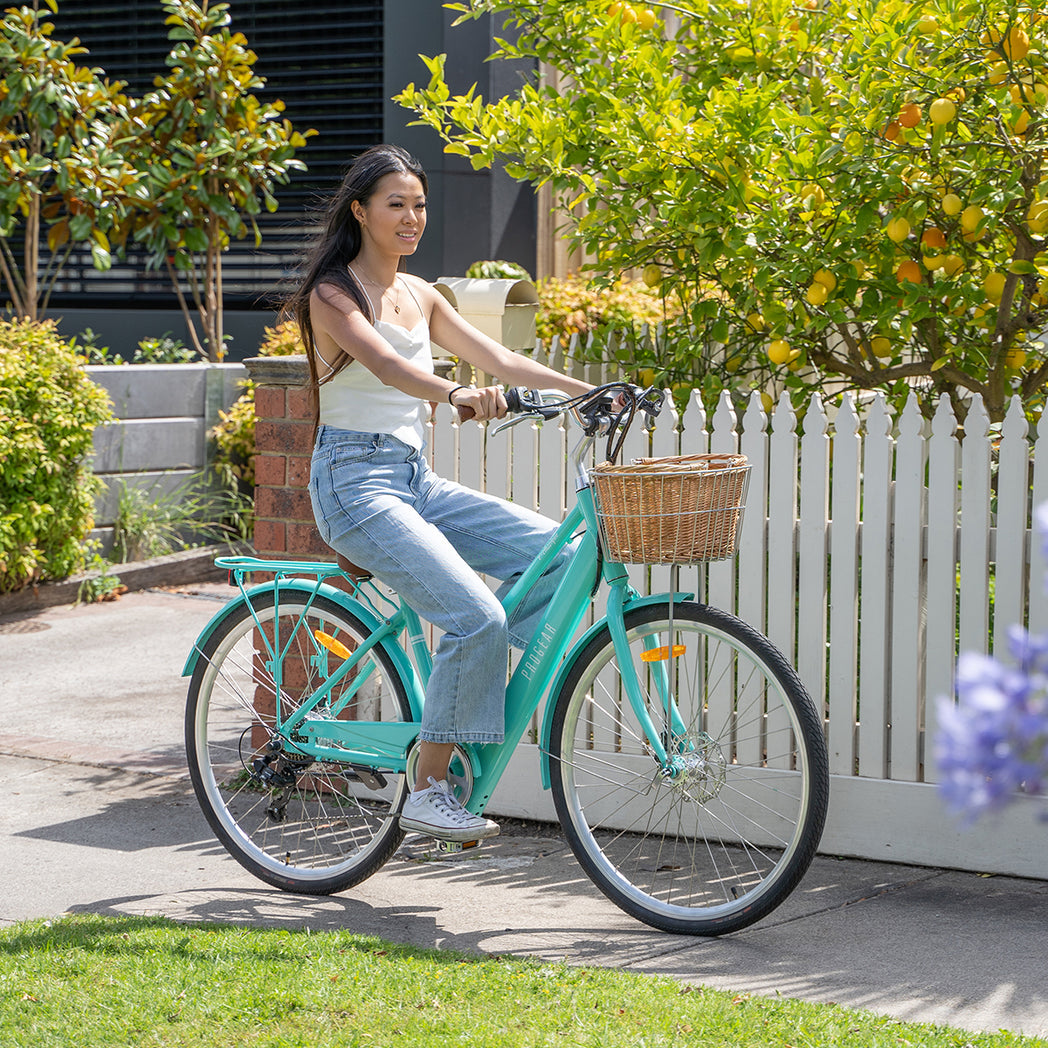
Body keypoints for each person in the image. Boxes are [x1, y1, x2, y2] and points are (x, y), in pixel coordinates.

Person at [285, 144, 593, 843]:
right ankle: (426, 789)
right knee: (475, 617)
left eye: (419, 204)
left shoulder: (422, 293)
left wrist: (591, 393)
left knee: (562, 551)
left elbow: (504, 359)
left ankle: (478, 688)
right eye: (396, 203)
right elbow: (389, 365)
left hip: (413, 481)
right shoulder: (333, 293)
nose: (411, 216)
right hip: (353, 485)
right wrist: (454, 391)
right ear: (360, 211)